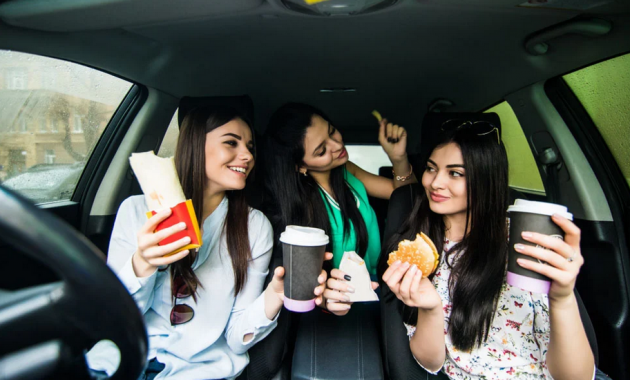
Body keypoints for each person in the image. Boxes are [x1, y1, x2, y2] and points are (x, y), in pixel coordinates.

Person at [86, 106, 330, 380]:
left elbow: (237, 338)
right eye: (231, 143)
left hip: (197, 372)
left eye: (250, 146)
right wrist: (141, 263)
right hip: (120, 362)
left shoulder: (254, 226)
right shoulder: (136, 211)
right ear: (194, 146)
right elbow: (114, 320)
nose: (248, 156)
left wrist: (275, 294)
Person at [380, 122, 596, 379]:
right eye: (430, 169)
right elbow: (431, 363)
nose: (435, 183)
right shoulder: (416, 249)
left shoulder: (522, 242)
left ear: (486, 178)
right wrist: (430, 309)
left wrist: (562, 298)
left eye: (455, 173)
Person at [263, 102, 416, 315]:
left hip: (382, 287)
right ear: (300, 166)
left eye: (332, 131)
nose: (336, 145)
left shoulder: (347, 172)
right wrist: (326, 300)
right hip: (343, 301)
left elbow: (405, 197)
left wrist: (398, 158)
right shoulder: (303, 208)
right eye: (321, 150)